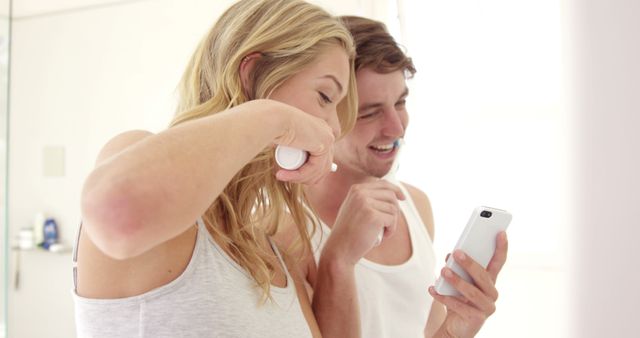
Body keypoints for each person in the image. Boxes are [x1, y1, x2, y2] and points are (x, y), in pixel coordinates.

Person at [72, 1, 360, 337]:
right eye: (325, 96)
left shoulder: (266, 250)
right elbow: (116, 213)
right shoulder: (132, 154)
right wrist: (274, 117)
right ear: (252, 74)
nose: (335, 128)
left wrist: (340, 260)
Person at [276, 16, 509, 338]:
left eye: (400, 102)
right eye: (369, 112)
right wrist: (337, 258)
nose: (396, 128)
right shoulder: (281, 230)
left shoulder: (414, 205)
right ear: (322, 113)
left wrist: (456, 331)